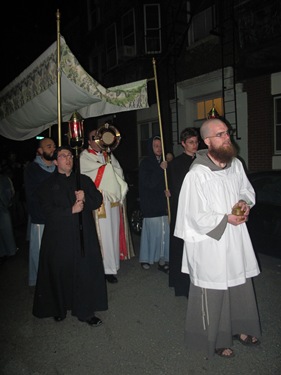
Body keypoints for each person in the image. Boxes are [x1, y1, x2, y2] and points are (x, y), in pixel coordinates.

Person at [174, 118, 261, 359]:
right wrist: (225, 219)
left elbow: (246, 189)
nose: (227, 137)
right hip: (209, 243)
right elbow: (193, 215)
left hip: (235, 239)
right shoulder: (197, 174)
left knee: (239, 284)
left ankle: (242, 328)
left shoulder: (235, 165)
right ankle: (215, 339)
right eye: (220, 134)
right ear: (207, 141)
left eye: (227, 133)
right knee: (215, 290)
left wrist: (245, 202)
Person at [33, 145, 107, 326]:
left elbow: (98, 200)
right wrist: (70, 210)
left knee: (83, 272)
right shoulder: (47, 185)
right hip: (60, 237)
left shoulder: (83, 180)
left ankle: (85, 311)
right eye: (64, 156)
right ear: (56, 160)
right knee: (61, 272)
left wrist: (85, 198)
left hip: (83, 235)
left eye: (70, 156)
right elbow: (47, 212)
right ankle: (59, 307)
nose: (69, 159)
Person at [80, 126, 134, 284]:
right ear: (88, 141)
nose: (97, 140)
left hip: (112, 201)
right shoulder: (84, 156)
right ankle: (104, 269)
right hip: (99, 203)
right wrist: (107, 171)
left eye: (98, 136)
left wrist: (110, 170)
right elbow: (88, 174)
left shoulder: (107, 155)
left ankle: (113, 264)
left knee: (113, 232)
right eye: (93, 137)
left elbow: (118, 171)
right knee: (103, 236)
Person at [168, 127, 199, 297]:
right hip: (183, 210)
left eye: (196, 142)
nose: (194, 145)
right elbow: (175, 188)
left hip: (197, 211)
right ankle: (182, 285)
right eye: (191, 142)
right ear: (183, 144)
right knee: (181, 248)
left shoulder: (201, 161)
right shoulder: (176, 164)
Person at [24, 138, 56, 286]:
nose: (53, 149)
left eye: (54, 146)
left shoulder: (57, 167)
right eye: (48, 146)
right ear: (40, 151)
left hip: (57, 216)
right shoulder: (32, 169)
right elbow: (32, 196)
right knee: (39, 252)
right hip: (41, 218)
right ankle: (39, 283)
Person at [138, 136, 170, 272]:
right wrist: (159, 169)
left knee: (164, 233)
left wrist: (168, 191)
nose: (159, 148)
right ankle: (146, 258)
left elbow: (166, 182)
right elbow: (149, 183)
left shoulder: (164, 162)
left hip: (162, 204)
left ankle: (162, 260)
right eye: (156, 145)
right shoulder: (146, 163)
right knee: (151, 234)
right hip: (151, 204)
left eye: (160, 145)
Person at [0, 171, 18, 264]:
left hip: (3, 208)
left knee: (6, 231)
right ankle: (7, 251)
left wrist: (6, 203)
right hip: (3, 208)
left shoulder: (4, 179)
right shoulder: (3, 179)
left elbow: (9, 192)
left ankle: (8, 251)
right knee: (6, 231)